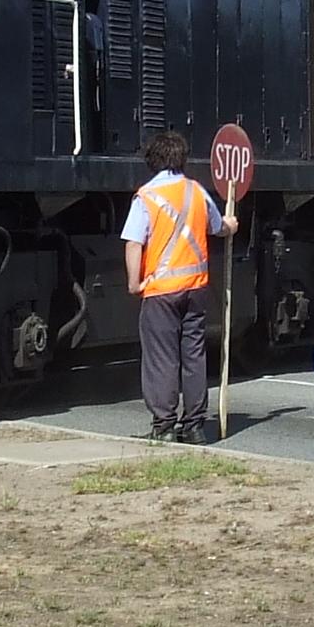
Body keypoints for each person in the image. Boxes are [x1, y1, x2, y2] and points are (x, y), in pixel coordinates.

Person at [121, 128, 238, 440]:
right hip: (196, 289)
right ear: (182, 159)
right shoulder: (196, 192)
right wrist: (230, 226)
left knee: (161, 359)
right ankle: (195, 426)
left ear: (152, 161)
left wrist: (134, 283)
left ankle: (164, 427)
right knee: (194, 357)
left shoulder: (146, 196)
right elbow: (217, 227)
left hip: (160, 292)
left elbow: (134, 243)